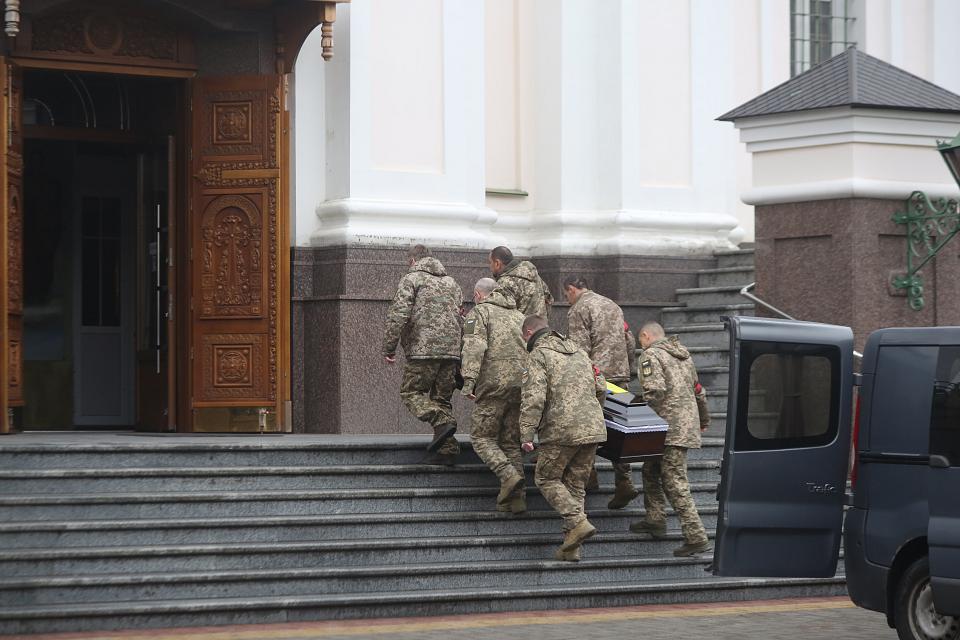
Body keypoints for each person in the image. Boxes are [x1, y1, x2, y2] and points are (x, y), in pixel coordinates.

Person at [519, 315, 607, 562]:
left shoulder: (539, 355)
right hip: (592, 428)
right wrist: (591, 414)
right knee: (575, 485)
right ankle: (571, 546)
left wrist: (526, 433)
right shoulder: (579, 351)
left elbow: (534, 398)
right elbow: (601, 387)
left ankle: (578, 522)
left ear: (528, 333)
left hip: (561, 430)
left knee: (546, 478)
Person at [629, 321, 712, 557]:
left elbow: (655, 392)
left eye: (640, 340)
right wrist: (703, 419)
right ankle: (655, 519)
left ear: (646, 336)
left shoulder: (651, 355)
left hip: (666, 428)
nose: (641, 344)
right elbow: (698, 391)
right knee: (650, 470)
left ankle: (696, 536)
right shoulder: (683, 356)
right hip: (683, 426)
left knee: (675, 482)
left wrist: (637, 417)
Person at [382, 244, 464, 465]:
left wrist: (389, 347)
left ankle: (441, 421)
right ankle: (447, 451)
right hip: (451, 351)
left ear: (412, 261)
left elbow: (399, 315)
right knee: (441, 399)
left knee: (411, 393)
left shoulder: (411, 279)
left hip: (422, 350)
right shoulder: (452, 283)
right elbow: (461, 317)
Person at [563, 276, 640, 509]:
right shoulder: (612, 305)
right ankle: (624, 481)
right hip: (620, 376)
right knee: (617, 429)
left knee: (588, 427)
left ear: (572, 289)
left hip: (596, 378)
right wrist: (628, 368)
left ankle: (589, 476)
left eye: (566, 295)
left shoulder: (579, 309)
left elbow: (579, 349)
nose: (567, 300)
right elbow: (629, 340)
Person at [460, 278, 528, 513]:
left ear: (478, 295)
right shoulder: (519, 316)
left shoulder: (479, 313)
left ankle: (508, 475)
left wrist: (469, 381)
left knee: (482, 437)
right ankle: (517, 499)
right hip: (521, 385)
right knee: (510, 442)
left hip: (493, 384)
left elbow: (474, 346)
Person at [488, 246, 553, 318]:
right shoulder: (534, 275)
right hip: (540, 323)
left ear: (497, 263)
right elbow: (548, 299)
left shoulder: (505, 282)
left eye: (490, 262)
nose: (490, 266)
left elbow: (501, 314)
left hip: (521, 324)